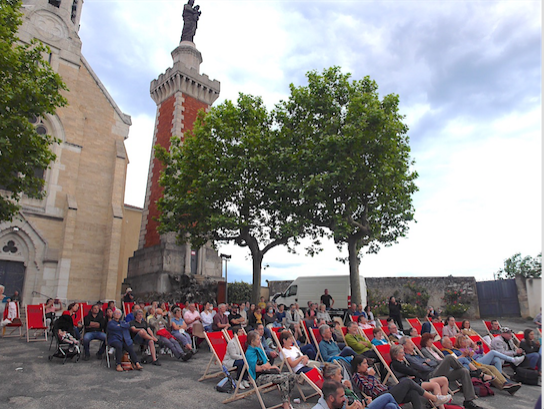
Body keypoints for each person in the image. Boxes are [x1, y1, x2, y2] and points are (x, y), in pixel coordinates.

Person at [399, 336, 482, 409]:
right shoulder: (408, 357)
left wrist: (428, 363)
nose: (413, 345)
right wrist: (428, 363)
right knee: (449, 358)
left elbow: (433, 362)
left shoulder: (416, 355)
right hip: (430, 375)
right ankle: (474, 373)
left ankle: (468, 401)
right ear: (404, 346)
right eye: (410, 344)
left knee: (463, 371)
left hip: (436, 371)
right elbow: (421, 367)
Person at [351, 355, 450, 409]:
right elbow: (369, 389)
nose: (367, 365)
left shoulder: (365, 374)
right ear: (358, 366)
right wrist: (371, 376)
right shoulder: (357, 377)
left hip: (388, 391)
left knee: (413, 393)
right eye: (364, 363)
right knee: (407, 381)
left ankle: (435, 399)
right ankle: (434, 398)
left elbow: (379, 385)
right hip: (382, 397)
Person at [439, 336, 521, 395]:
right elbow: (454, 361)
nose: (451, 343)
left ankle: (505, 383)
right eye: (449, 342)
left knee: (492, 366)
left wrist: (471, 352)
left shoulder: (454, 349)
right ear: (444, 345)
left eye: (451, 342)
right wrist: (465, 355)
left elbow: (472, 355)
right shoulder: (446, 352)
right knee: (487, 368)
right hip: (467, 364)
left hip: (472, 362)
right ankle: (503, 385)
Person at [245, 330, 296, 409]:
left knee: (292, 376)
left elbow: (267, 364)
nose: (260, 341)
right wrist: (267, 367)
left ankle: (287, 400)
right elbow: (257, 369)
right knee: (284, 378)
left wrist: (266, 367)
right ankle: (285, 404)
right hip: (260, 378)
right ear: (252, 341)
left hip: (267, 373)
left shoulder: (259, 350)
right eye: (258, 339)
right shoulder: (249, 353)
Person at [389, 344, 451, 409]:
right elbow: (411, 371)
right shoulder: (396, 364)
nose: (404, 354)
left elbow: (412, 371)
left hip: (418, 380)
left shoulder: (403, 362)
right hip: (414, 384)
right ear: (395, 355)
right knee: (435, 385)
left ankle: (444, 403)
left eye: (403, 352)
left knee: (444, 379)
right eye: (401, 352)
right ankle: (441, 406)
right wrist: (411, 375)